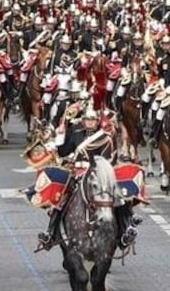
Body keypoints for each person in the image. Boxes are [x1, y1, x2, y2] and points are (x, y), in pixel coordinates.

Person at [38, 107, 138, 251]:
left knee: (118, 197)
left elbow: (108, 158)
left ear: (97, 122)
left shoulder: (104, 138)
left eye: (92, 120)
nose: (90, 123)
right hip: (77, 172)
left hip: (99, 173)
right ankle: (51, 232)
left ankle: (125, 230)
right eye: (87, 120)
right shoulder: (76, 134)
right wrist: (56, 141)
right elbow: (64, 151)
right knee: (62, 198)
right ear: (83, 121)